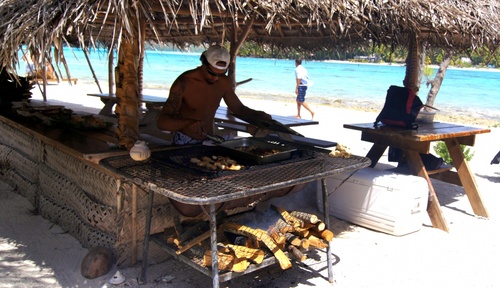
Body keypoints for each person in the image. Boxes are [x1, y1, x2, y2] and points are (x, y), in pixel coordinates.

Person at [157, 45, 272, 145]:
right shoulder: (184, 82)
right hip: (184, 140)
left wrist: (259, 115)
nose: (216, 78)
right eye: (212, 73)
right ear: (203, 63)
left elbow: (238, 109)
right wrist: (187, 123)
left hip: (210, 140)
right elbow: (162, 123)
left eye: (221, 74)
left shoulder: (224, 82)